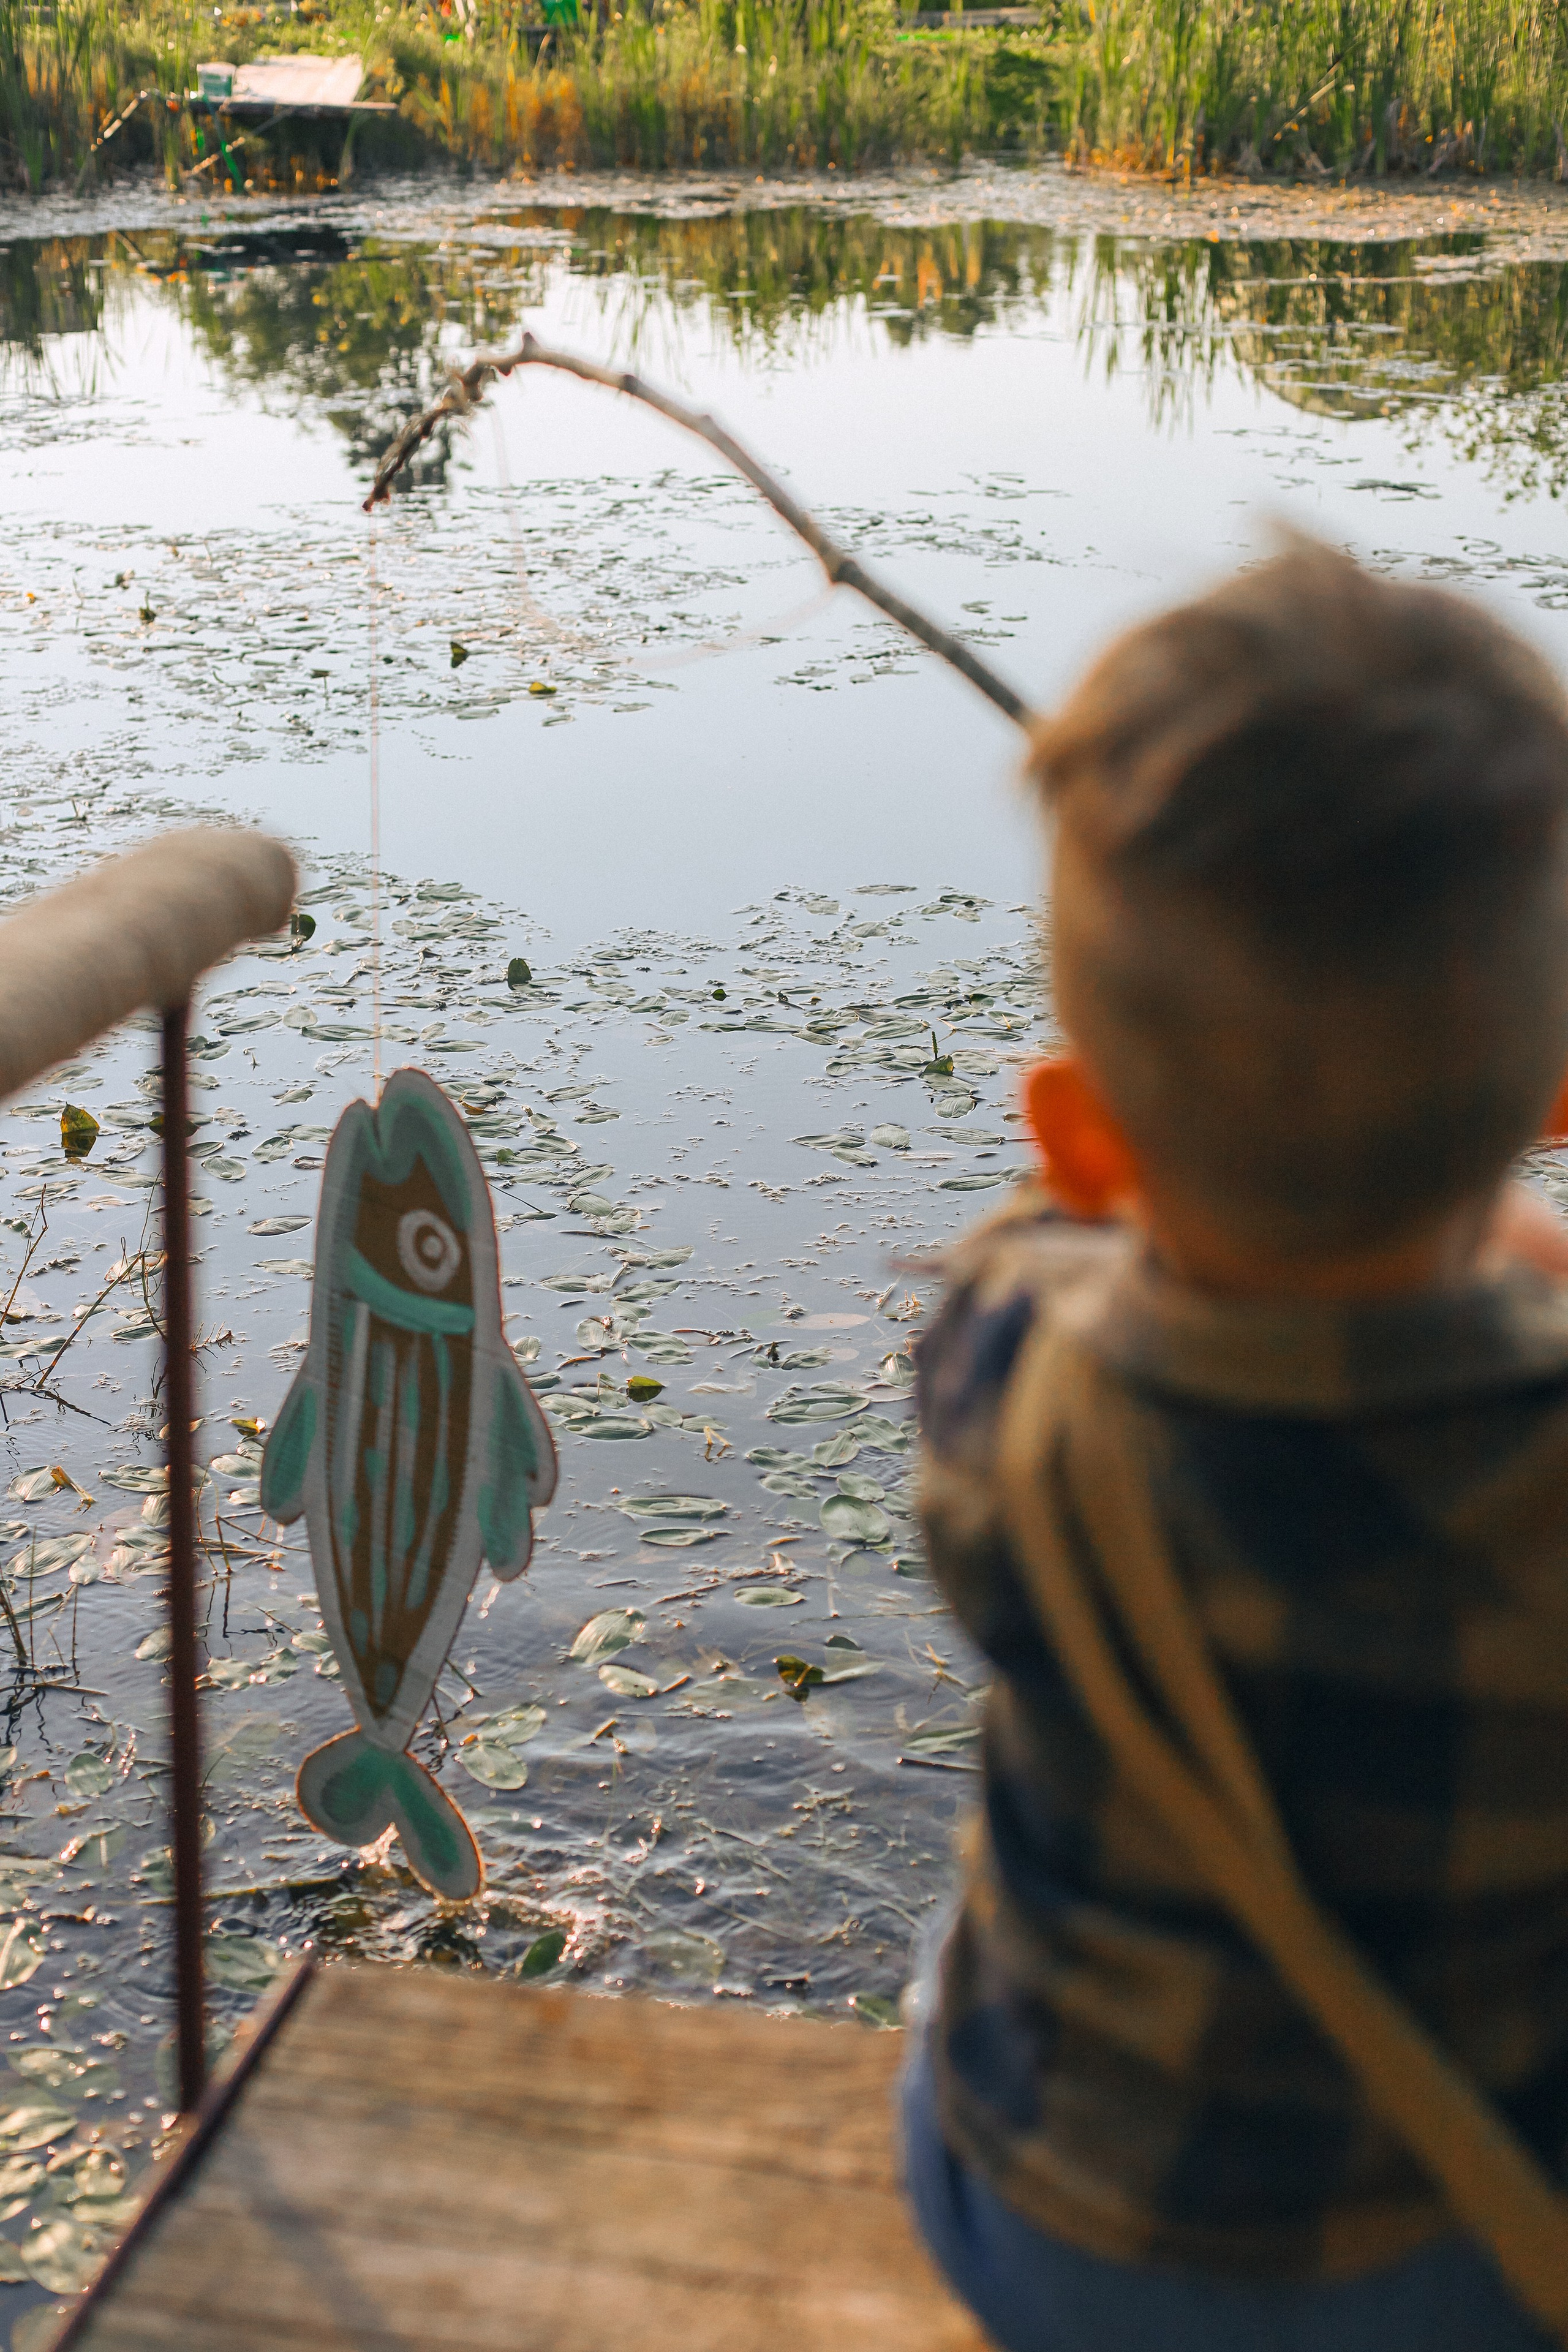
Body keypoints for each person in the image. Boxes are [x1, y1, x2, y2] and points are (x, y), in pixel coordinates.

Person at [904, 540, 1568, 2352]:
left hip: (1058, 2240)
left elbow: (1052, 1242)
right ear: (1556, 1091)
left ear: (1084, 1130)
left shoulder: (998, 1373)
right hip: (1474, 2277)